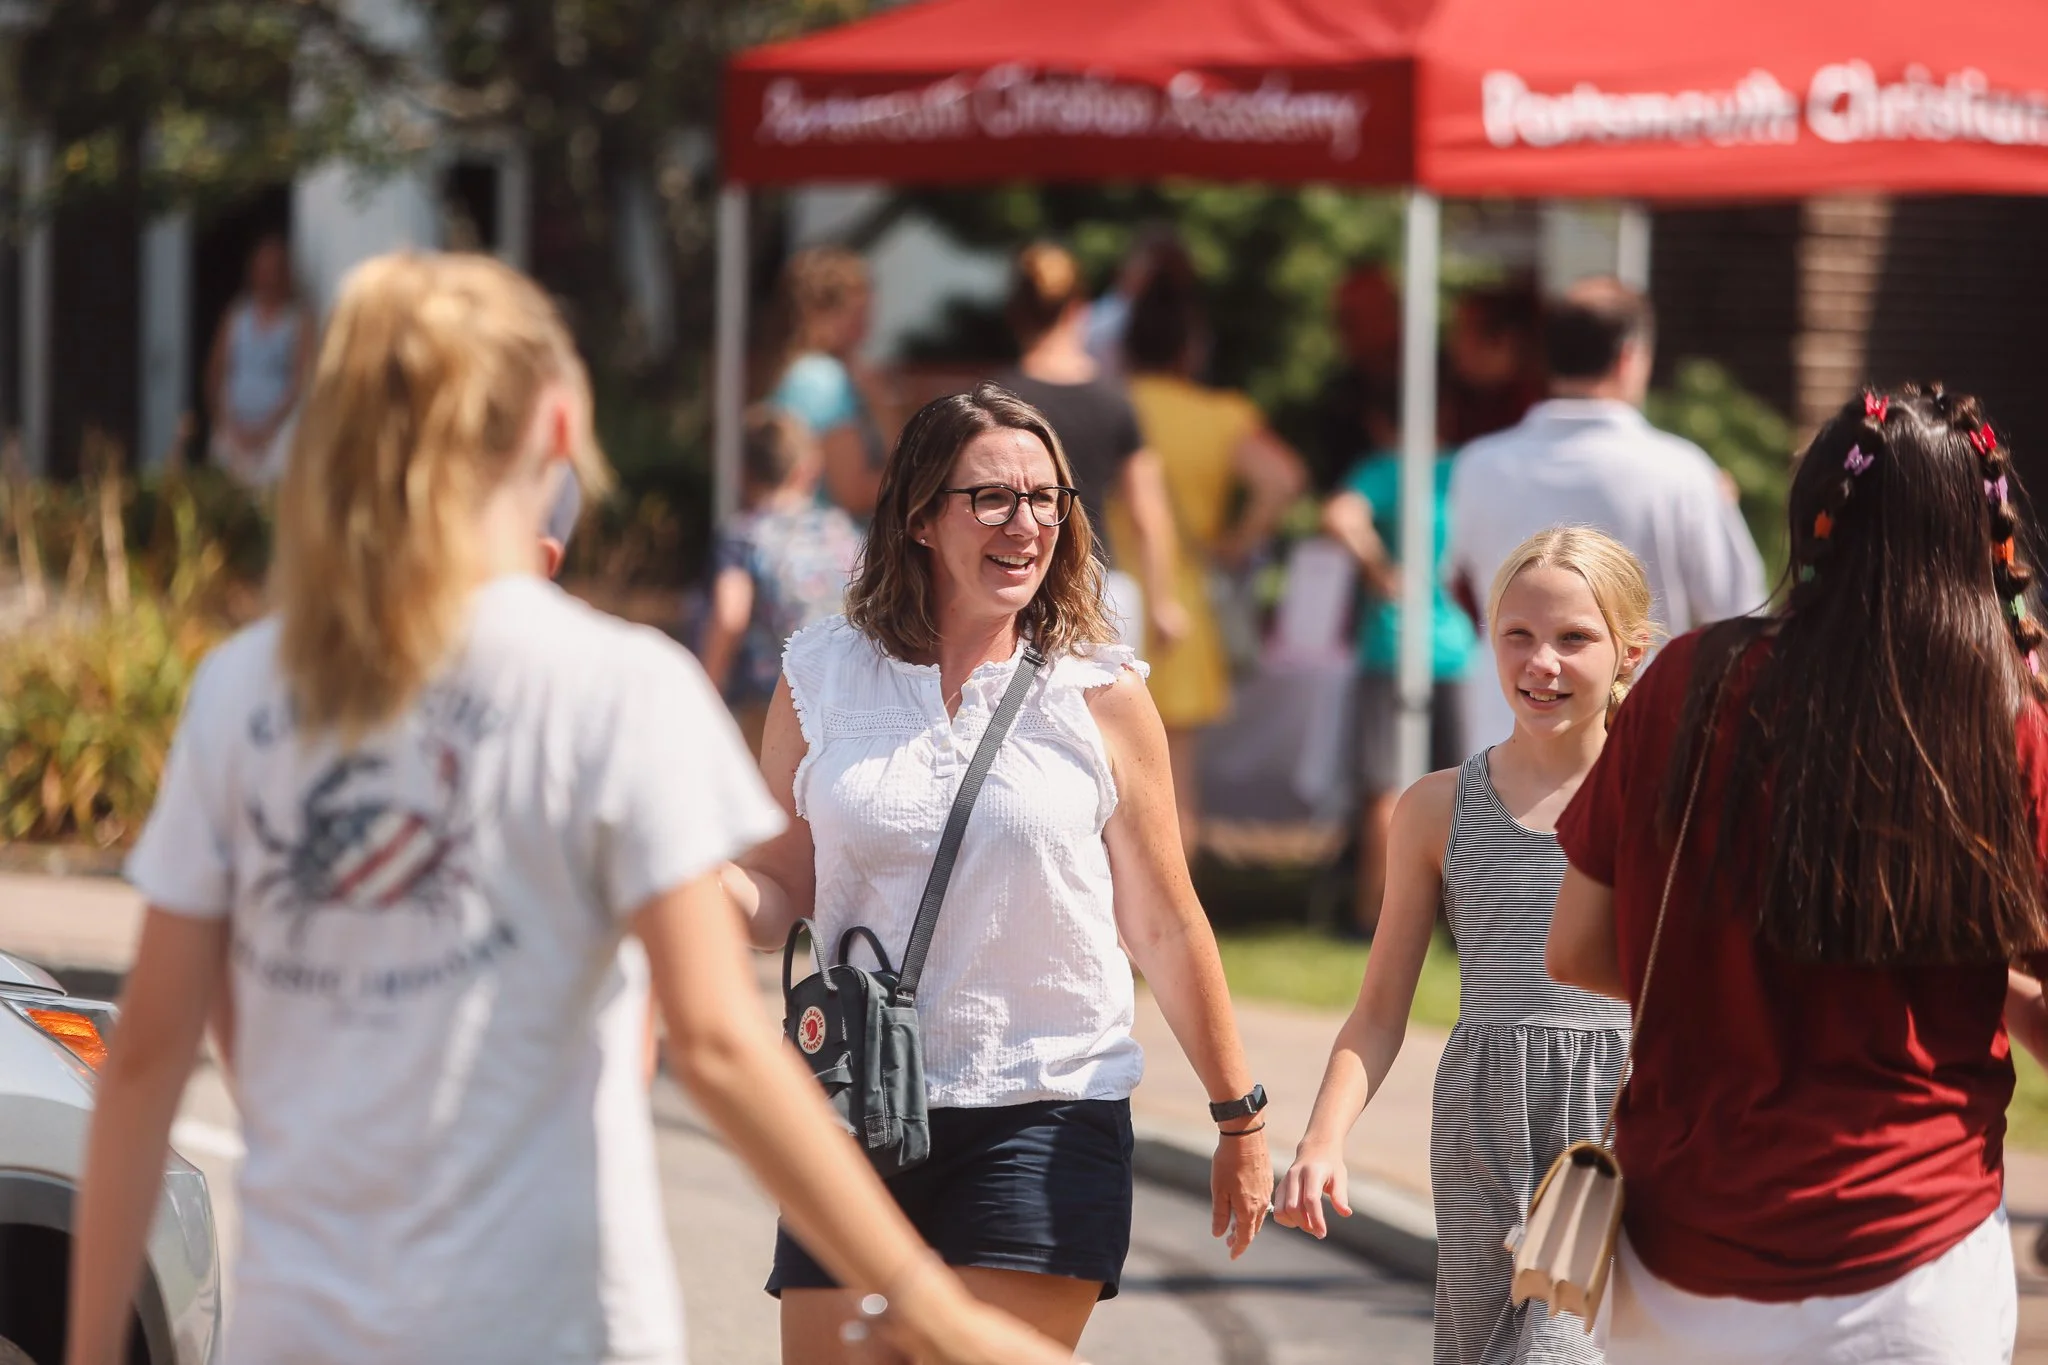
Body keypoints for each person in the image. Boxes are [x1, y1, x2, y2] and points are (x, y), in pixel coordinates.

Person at [65, 252, 1076, 1365]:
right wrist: (926, 1310)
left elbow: (152, 1062)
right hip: (551, 1327)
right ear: (557, 423)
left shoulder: (246, 694)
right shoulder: (618, 688)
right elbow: (719, 1045)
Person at [723, 382, 1274, 1363]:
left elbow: (1164, 922)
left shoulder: (1098, 694)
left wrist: (1238, 1117)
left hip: (1042, 1111)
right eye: (991, 498)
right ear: (919, 517)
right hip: (856, 1111)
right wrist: (705, 893)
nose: (1026, 523)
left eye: (1045, 498)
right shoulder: (820, 675)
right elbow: (781, 880)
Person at [1547, 384, 2048, 1364]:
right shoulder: (2006, 724)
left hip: (1677, 1263)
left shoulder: (1683, 684)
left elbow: (1572, 949)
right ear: (1978, 536)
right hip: (1912, 1258)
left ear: (1810, 518)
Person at [1278, 527, 1653, 1365]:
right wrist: (1322, 1138)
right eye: (1517, 634)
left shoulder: (1661, 803)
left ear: (1628, 650)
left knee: (1559, 1352)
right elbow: (1378, 1011)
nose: (1540, 662)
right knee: (1482, 1353)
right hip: (1481, 1122)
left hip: (1619, 1118)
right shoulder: (1435, 808)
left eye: (1574, 639)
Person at [1445, 277, 1765, 754]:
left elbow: (1459, 589)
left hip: (1503, 744)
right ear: (1630, 357)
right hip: (1640, 749)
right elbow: (1741, 618)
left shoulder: (1477, 466)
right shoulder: (1681, 471)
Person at [1116, 258, 1309, 855]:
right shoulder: (1219, 415)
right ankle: (1173, 930)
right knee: (1175, 786)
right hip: (1182, 605)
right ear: (1189, 350)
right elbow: (1283, 478)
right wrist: (1238, 541)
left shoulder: (1104, 405)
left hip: (1095, 597)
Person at [1320, 380, 1478, 934]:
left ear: (1383, 423)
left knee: (1386, 790)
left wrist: (1377, 567)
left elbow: (1339, 515)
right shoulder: (1464, 470)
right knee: (1464, 793)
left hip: (1392, 642)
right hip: (1457, 645)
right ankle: (1464, 923)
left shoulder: (1387, 470)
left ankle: (1375, 917)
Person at [996, 241, 1187, 654]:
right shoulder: (1115, 399)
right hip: (1099, 588)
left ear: (1015, 313)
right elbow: (1148, 512)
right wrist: (1163, 602)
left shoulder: (996, 399)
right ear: (1079, 309)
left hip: (1017, 581)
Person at [697, 407, 864, 751]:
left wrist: (706, 694)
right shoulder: (844, 532)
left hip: (773, 700)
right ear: (809, 470)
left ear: (742, 473)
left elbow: (730, 614)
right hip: (846, 695)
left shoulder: (745, 536)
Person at [758, 245, 899, 519]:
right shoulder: (822, 380)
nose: (867, 326)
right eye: (858, 313)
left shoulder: (800, 372)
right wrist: (924, 480)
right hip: (829, 551)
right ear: (820, 312)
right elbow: (853, 492)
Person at [204, 233, 313, 487]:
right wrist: (226, 424)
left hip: (275, 433)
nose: (268, 278)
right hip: (233, 429)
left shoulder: (298, 320)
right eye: (263, 270)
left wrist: (267, 430)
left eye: (275, 270)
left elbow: (301, 381)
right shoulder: (236, 315)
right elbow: (216, 372)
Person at [1310, 263, 1403, 496]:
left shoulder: (1436, 383)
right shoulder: (1338, 399)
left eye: (1353, 319)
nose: (1345, 331)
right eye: (1342, 320)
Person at [1441, 281, 1545, 448]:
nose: (1452, 344)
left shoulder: (1531, 412)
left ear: (1505, 342)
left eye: (1463, 331)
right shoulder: (1454, 399)